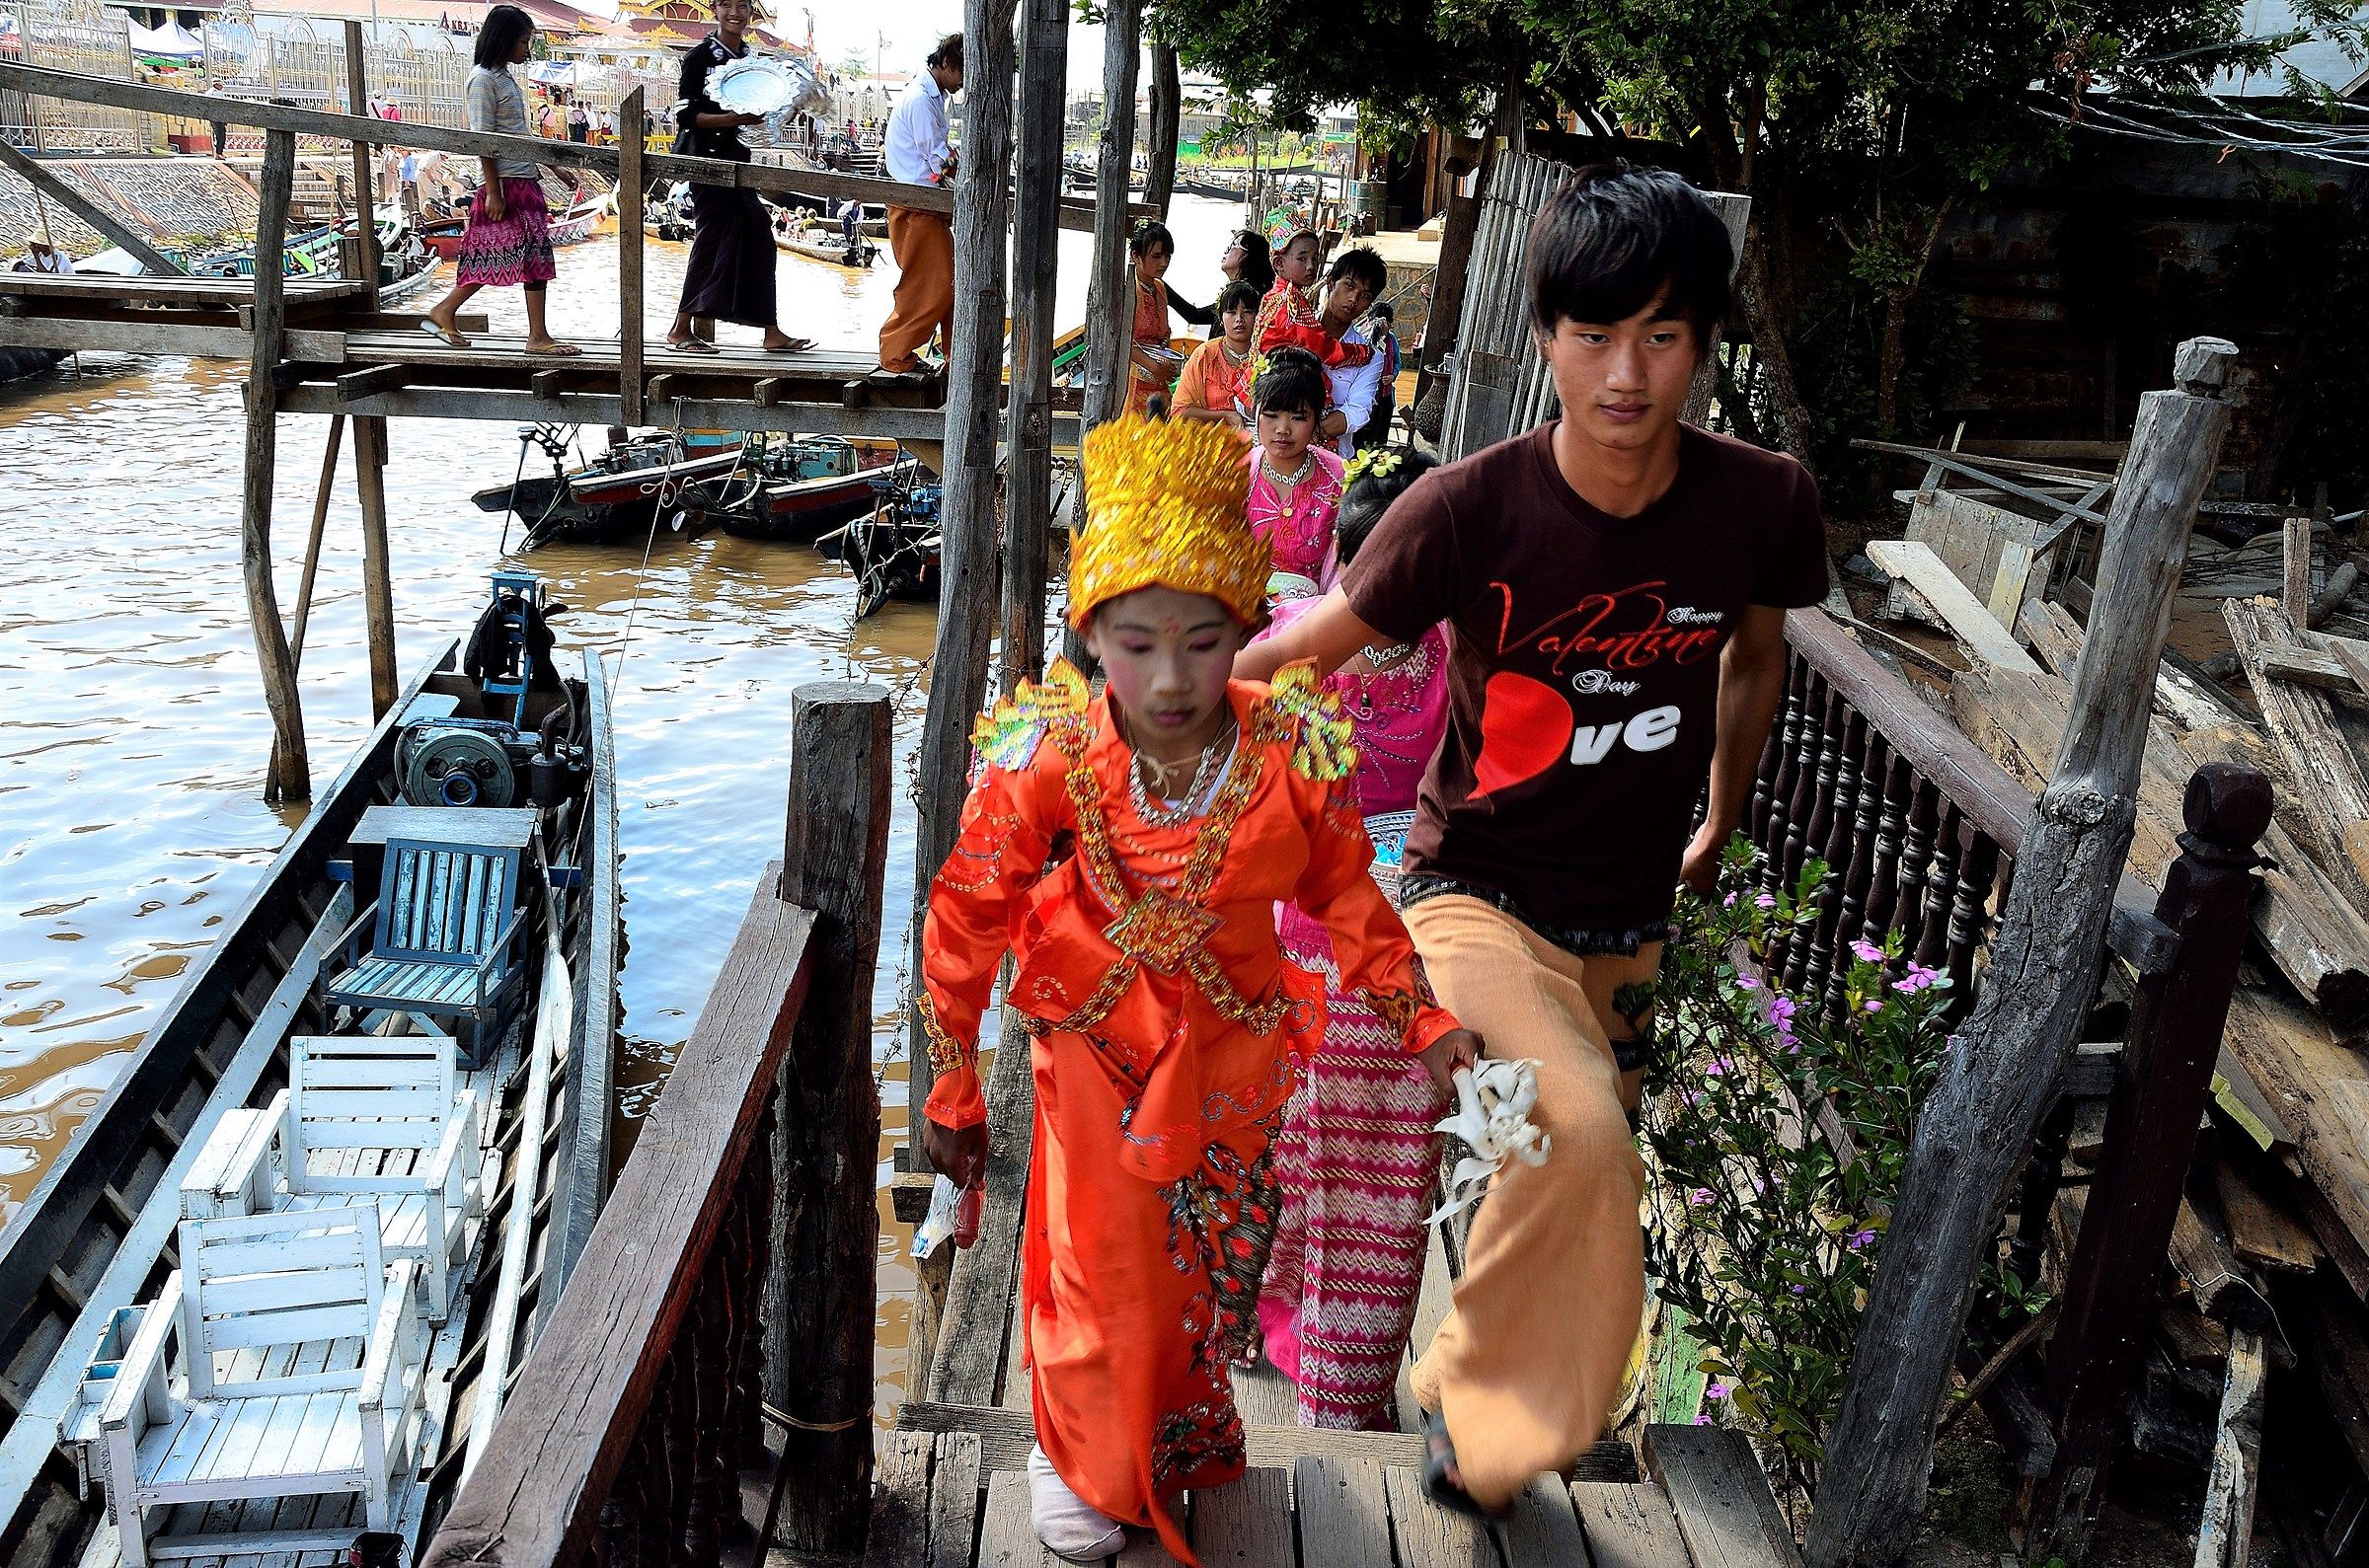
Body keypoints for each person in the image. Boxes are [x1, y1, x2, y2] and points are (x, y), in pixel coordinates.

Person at [1235, 165, 1828, 1516]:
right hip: (1471, 897)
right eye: (1594, 333)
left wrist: (1724, 814)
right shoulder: (1469, 508)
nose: (1626, 373)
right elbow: (1306, 651)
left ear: (1705, 343)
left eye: (1664, 336)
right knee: (1579, 1131)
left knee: (1531, 1151)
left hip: (1626, 921)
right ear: (1548, 331)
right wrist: (1147, 709)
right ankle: (1490, 1428)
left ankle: (1459, 1388)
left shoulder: (1761, 503)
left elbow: (1754, 654)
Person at [917, 415, 1478, 1564]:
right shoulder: (1049, 758)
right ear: (1089, 638)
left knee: (1199, 1259)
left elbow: (1352, 905)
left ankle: (1161, 1432)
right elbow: (967, 915)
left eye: (1203, 640)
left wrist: (1422, 1019)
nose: (1170, 680)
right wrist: (956, 1075)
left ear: (1246, 630)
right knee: (1098, 1251)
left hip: (1229, 1050)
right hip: (1089, 1043)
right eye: (1134, 643)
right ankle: (1082, 1455)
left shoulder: (1289, 751)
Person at [1254, 448, 1452, 1429]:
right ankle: (1322, 1359)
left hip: (1421, 934)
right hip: (1322, 938)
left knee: (1377, 1171)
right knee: (1318, 1156)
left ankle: (1346, 1374)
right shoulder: (1295, 653)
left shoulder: (1460, 651)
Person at [420, 5, 577, 355]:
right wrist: (493, 191)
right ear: (505, 41)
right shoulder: (482, 80)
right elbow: (483, 139)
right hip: (504, 184)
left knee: (534, 255)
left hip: (524, 179)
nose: (527, 49)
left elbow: (518, 134)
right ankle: (447, 310)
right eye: (523, 42)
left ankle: (535, 334)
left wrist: (553, 167)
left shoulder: (505, 78)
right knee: (491, 254)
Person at [666, 0, 813, 354]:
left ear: (752, 12)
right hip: (704, 161)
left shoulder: (752, 61)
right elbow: (686, 116)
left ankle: (770, 332)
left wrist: (789, 107)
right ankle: (679, 329)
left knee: (760, 237)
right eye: (727, 4)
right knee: (712, 237)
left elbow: (764, 116)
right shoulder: (700, 57)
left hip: (738, 162)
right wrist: (735, 119)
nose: (735, 12)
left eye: (743, 5)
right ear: (714, 10)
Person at [878, 33, 961, 372]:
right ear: (945, 64)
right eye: (961, 73)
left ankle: (953, 353)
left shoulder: (929, 97)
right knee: (933, 284)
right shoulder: (921, 101)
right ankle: (895, 351)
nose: (962, 82)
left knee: (947, 282)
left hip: (924, 206)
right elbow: (939, 159)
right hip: (915, 206)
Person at [1245, 347, 1346, 585]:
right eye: (1271, 415)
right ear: (1255, 412)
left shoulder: (1341, 479)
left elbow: (1346, 571)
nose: (1283, 429)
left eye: (1298, 417)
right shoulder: (1237, 474)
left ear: (1317, 418)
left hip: (1316, 615)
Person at [1253, 214, 1370, 372]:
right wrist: (1363, 352)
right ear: (1279, 263)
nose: (1311, 266)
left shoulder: (1273, 295)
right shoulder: (1292, 303)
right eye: (1302, 259)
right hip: (1285, 383)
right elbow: (1323, 348)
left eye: (1315, 259)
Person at [1313, 246, 1388, 459]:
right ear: (1330, 282)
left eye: (1364, 295)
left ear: (1368, 305)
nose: (1353, 299)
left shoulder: (1370, 358)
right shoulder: (1296, 332)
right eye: (1348, 286)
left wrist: (1307, 434)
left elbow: (1358, 410)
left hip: (1335, 464)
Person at [1171, 280, 1260, 438]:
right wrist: (1224, 416)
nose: (1239, 319)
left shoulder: (1267, 356)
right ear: (1220, 318)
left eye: (1247, 311)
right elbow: (1180, 412)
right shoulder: (1204, 355)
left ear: (1257, 316)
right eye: (1231, 312)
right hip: (1211, 448)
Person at [1124, 221, 1184, 416]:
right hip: (1132, 378)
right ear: (1136, 256)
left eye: (1167, 256)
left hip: (1157, 378)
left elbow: (1163, 333)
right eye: (1156, 256)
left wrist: (1164, 350)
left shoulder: (1160, 288)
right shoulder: (1127, 290)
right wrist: (1153, 365)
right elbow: (1122, 341)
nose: (1164, 263)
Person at [1358, 301, 1402, 447]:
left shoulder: (1392, 339)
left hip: (1385, 394)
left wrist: (1392, 375)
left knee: (1381, 434)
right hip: (1366, 394)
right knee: (1363, 434)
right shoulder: (1360, 335)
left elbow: (1397, 362)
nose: (1388, 327)